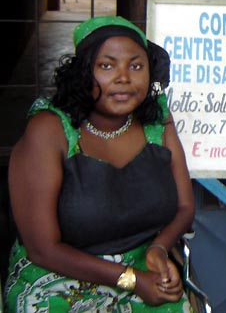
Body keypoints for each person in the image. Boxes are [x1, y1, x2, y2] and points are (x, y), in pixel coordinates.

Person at [4, 16, 196, 312]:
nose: (124, 77)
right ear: (82, 74)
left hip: (144, 268)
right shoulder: (50, 131)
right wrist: (131, 280)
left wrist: (159, 247)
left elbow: (185, 207)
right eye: (107, 66)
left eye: (136, 66)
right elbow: (42, 249)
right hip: (56, 277)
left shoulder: (158, 122)